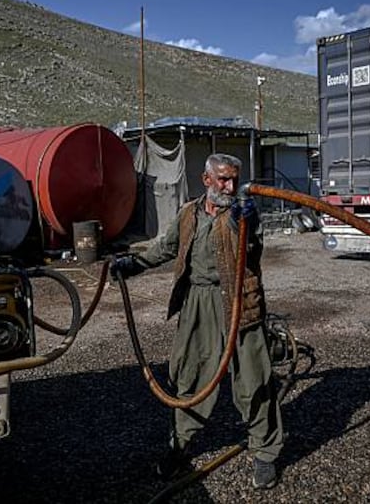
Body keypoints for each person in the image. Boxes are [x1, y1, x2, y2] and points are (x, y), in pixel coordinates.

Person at [111, 153, 283, 490]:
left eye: (234, 179)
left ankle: (265, 453)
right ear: (206, 180)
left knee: (254, 380)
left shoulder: (242, 214)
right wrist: (133, 264)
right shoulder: (189, 212)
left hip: (238, 304)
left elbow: (251, 248)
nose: (230, 186)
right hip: (198, 304)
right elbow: (166, 247)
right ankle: (180, 447)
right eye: (223, 179)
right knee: (190, 377)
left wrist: (243, 222)